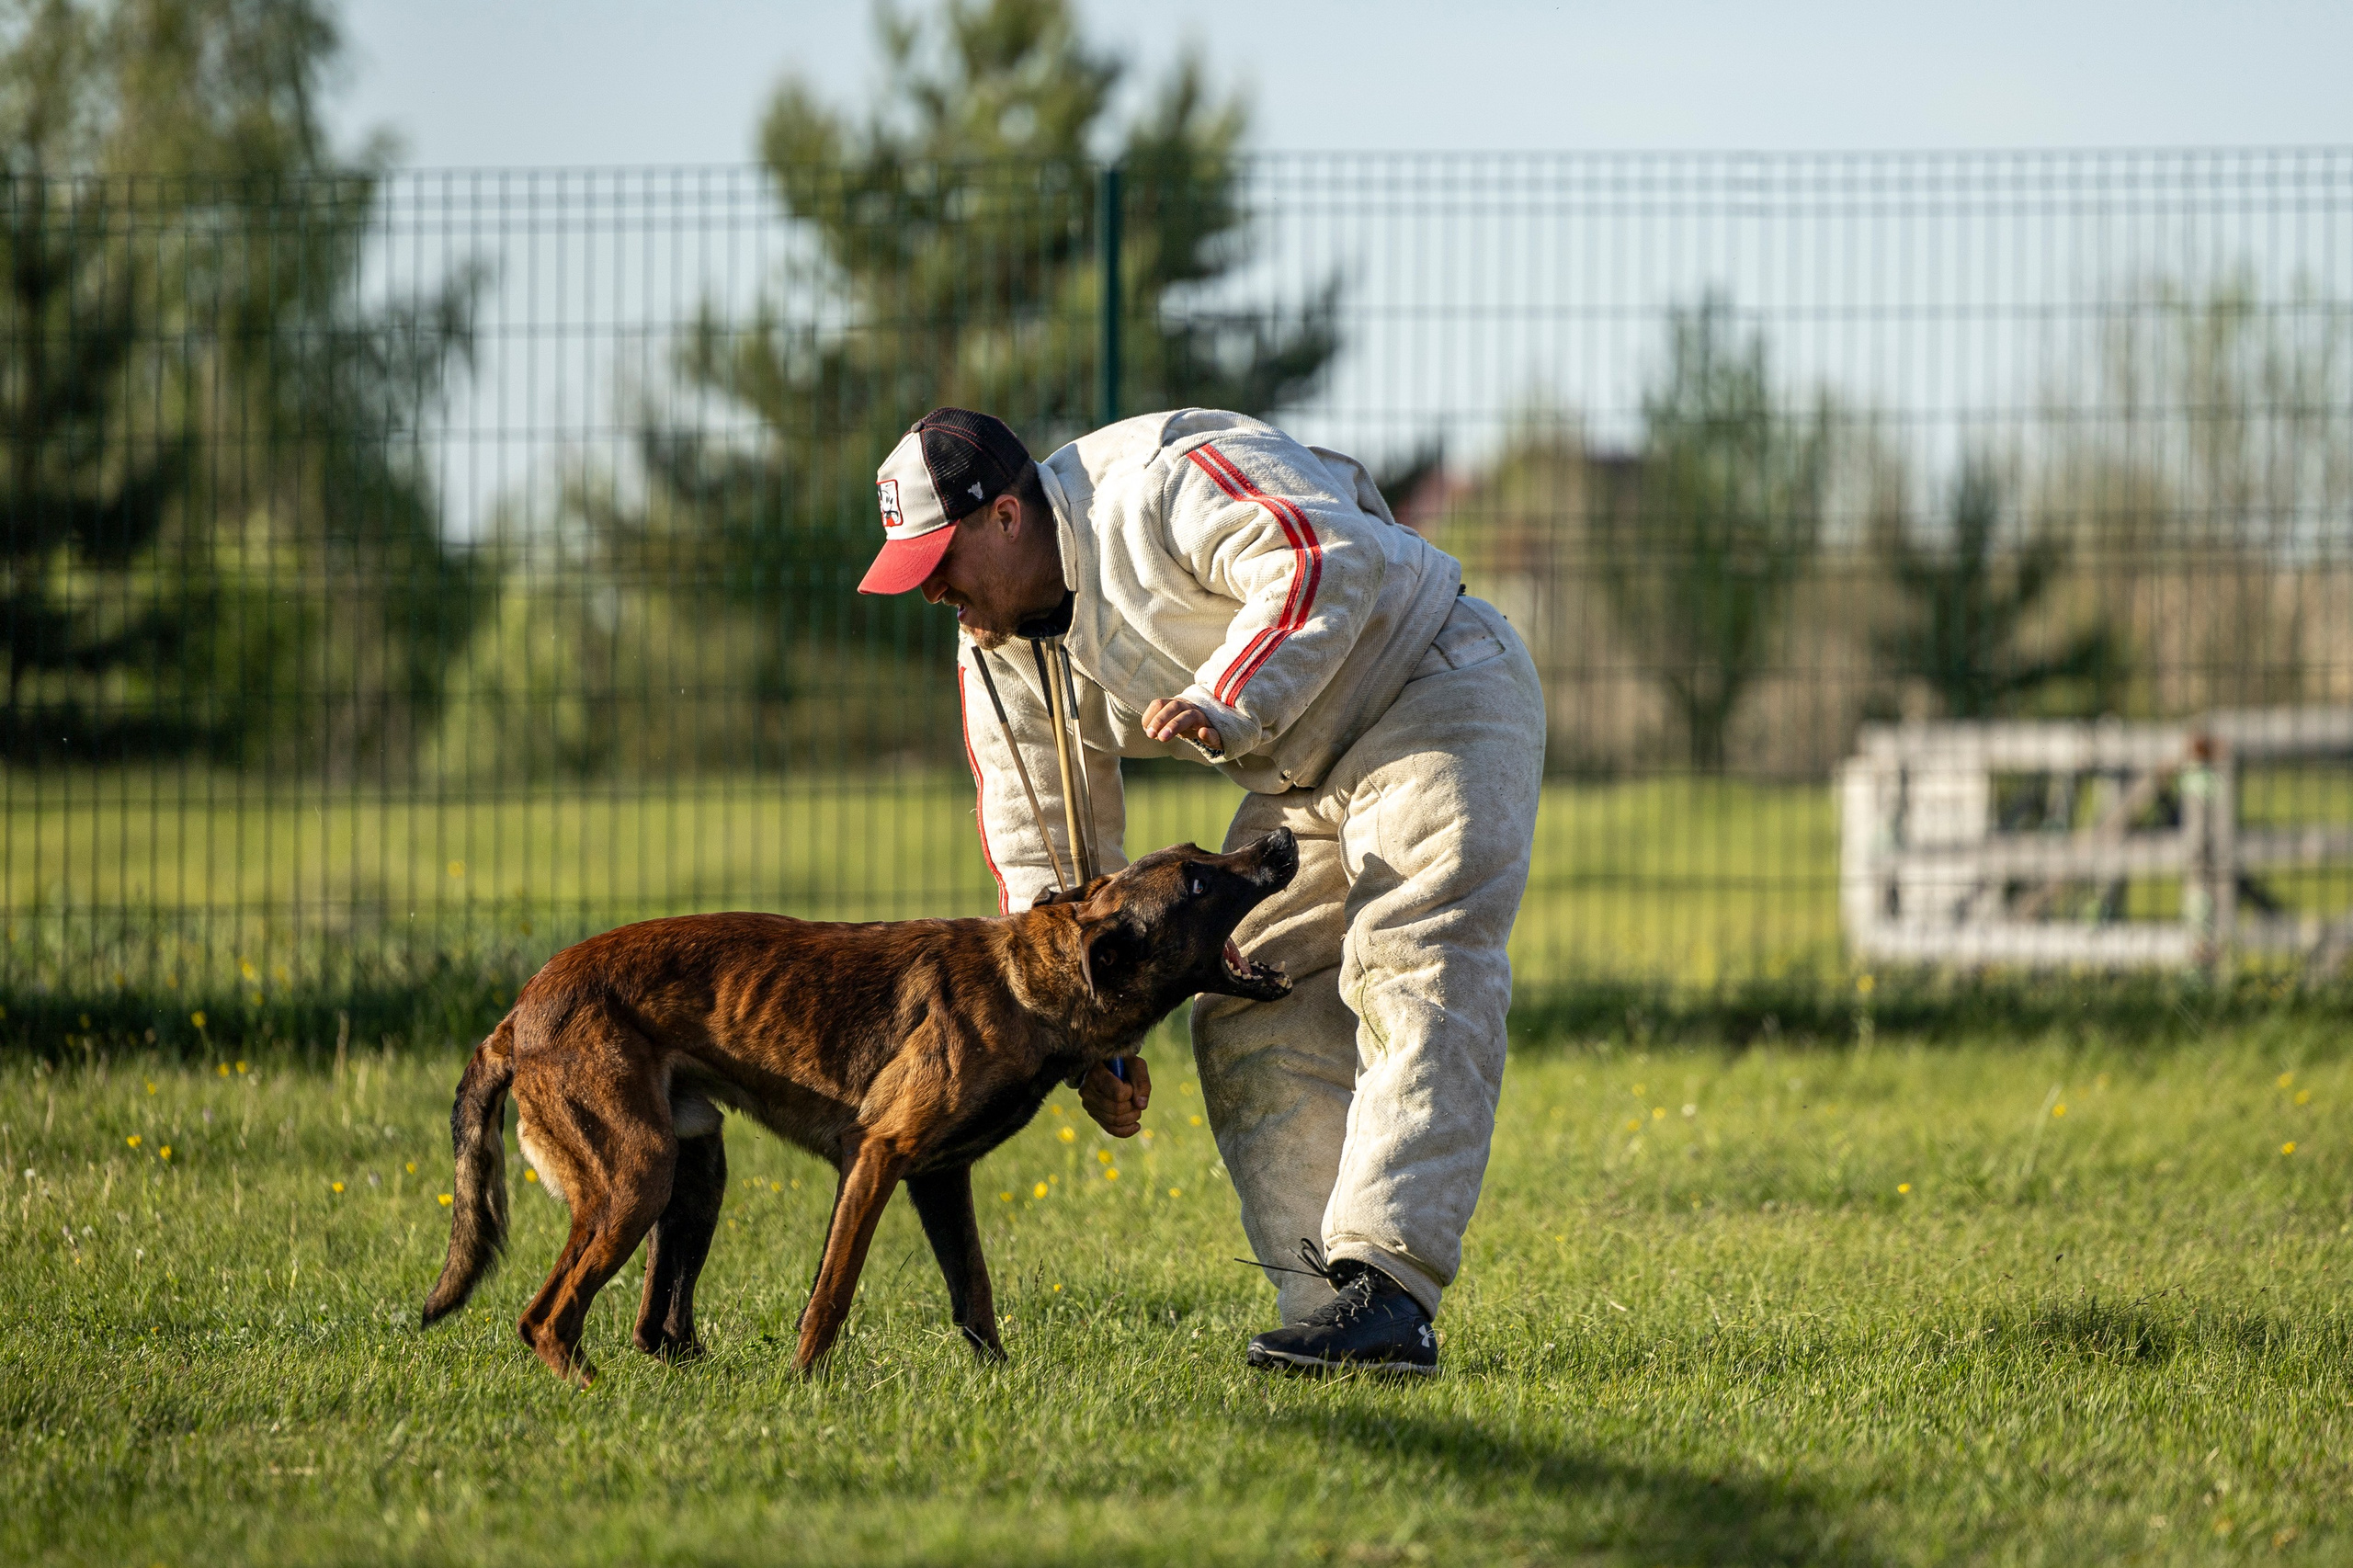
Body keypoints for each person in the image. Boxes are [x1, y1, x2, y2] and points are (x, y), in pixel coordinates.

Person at [859, 406, 1545, 1375]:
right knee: (1246, 1010)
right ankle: (1331, 1315)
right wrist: (1089, 1034)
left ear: (1005, 516)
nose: (932, 591)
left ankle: (1391, 1289)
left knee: (1415, 962)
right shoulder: (997, 640)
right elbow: (1044, 839)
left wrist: (1228, 694)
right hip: (1300, 766)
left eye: (939, 560)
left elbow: (1322, 553)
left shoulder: (1160, 481)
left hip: (1432, 686)